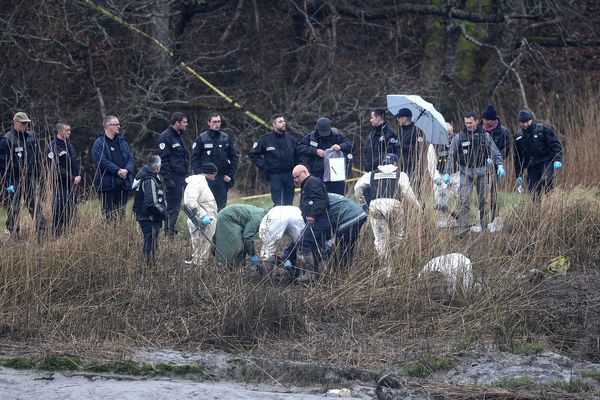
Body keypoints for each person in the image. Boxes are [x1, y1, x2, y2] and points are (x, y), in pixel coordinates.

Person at [354, 153, 420, 275]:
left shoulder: (371, 174)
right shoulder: (401, 174)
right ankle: (395, 260)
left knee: (380, 240)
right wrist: (417, 208)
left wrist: (363, 204)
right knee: (397, 235)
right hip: (394, 205)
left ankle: (386, 269)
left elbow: (357, 187)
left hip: (376, 206)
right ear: (395, 163)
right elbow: (408, 194)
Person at [443, 112, 505, 232]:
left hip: (482, 172)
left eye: (470, 123)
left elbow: (495, 152)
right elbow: (451, 156)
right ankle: (463, 228)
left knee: (483, 200)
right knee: (464, 200)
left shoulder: (485, 136)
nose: (468, 125)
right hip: (465, 173)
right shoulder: (459, 137)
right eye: (466, 123)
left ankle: (483, 226)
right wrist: (447, 172)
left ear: (476, 121)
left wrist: (500, 165)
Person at [0, 112, 47, 238]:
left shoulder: (31, 137)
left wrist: (38, 175)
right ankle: (14, 233)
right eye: (22, 123)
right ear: (15, 122)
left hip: (30, 178)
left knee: (35, 204)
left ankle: (42, 231)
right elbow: (3, 165)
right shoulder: (7, 139)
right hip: (12, 180)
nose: (25, 125)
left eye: (26, 123)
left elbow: (37, 157)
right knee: (13, 206)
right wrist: (7, 183)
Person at [191, 112, 239, 211]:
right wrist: (200, 174)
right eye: (214, 122)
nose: (217, 124)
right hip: (206, 179)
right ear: (209, 122)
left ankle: (219, 226)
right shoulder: (202, 138)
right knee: (206, 207)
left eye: (219, 122)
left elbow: (234, 157)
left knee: (221, 208)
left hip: (222, 178)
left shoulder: (225, 138)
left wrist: (230, 175)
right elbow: (194, 158)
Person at [291, 164, 331, 282]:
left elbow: (320, 201)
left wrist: (312, 217)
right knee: (319, 247)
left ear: (304, 172)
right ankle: (324, 275)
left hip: (318, 220)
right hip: (319, 220)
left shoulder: (312, 182)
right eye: (294, 178)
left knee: (304, 243)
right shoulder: (308, 183)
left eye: (297, 177)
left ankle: (309, 275)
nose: (296, 180)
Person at [92, 115, 136, 220]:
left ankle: (120, 235)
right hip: (107, 185)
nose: (119, 126)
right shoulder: (99, 143)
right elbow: (101, 161)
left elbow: (132, 157)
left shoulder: (122, 142)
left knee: (121, 214)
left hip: (123, 184)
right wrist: (117, 171)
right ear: (108, 126)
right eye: (116, 124)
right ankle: (109, 235)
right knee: (109, 215)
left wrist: (127, 170)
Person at [296, 117, 354, 195]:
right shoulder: (311, 137)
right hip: (317, 173)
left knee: (338, 197)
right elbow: (300, 148)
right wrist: (315, 151)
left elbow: (351, 145)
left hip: (335, 174)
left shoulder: (337, 136)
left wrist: (340, 146)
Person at [513, 109, 564, 199]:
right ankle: (536, 210)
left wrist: (558, 159)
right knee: (533, 190)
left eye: (527, 122)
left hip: (546, 161)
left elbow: (556, 145)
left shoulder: (543, 129)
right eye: (522, 123)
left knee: (546, 179)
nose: (525, 125)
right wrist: (519, 174)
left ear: (531, 120)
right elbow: (518, 158)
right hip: (531, 166)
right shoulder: (518, 137)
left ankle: (551, 201)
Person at [248, 114, 297, 206]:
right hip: (275, 175)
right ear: (274, 125)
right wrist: (263, 166)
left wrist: (297, 170)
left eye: (284, 121)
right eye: (280, 122)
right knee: (278, 204)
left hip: (289, 175)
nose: (283, 123)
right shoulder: (265, 140)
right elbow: (253, 153)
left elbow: (298, 155)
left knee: (289, 203)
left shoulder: (291, 139)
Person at [157, 111, 190, 237]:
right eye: (184, 122)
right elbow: (163, 160)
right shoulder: (166, 137)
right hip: (173, 178)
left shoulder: (179, 135)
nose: (186, 125)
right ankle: (168, 233)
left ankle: (172, 228)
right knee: (173, 207)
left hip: (182, 176)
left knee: (183, 205)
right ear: (177, 123)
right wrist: (168, 179)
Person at [46, 120, 81, 235]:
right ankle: (57, 234)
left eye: (69, 130)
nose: (69, 132)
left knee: (72, 209)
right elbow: (55, 168)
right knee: (60, 209)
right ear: (59, 131)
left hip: (72, 183)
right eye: (67, 130)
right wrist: (71, 177)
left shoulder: (68, 144)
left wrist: (78, 174)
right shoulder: (52, 146)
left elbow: (74, 162)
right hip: (59, 184)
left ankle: (69, 233)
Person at [132, 155, 167, 265]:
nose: (160, 167)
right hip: (149, 218)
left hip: (148, 217)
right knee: (150, 245)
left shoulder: (147, 177)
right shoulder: (149, 180)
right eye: (160, 165)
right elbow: (151, 203)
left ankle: (149, 268)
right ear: (156, 167)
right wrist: (164, 214)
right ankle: (147, 270)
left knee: (151, 243)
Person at [183, 163, 219, 267]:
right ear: (210, 173)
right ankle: (197, 273)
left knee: (203, 250)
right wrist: (203, 215)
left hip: (206, 222)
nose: (215, 177)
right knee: (199, 251)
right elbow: (190, 201)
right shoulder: (196, 182)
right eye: (214, 174)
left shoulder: (203, 183)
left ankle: (199, 271)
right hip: (200, 222)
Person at [213, 204, 268, 268]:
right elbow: (247, 237)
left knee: (240, 244)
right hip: (227, 218)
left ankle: (239, 268)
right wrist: (252, 254)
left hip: (234, 220)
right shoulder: (259, 219)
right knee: (236, 245)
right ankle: (227, 268)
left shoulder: (263, 215)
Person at [480, 104, 510, 222]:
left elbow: (505, 149)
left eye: (491, 120)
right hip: (481, 166)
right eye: (487, 120)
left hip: (496, 167)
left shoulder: (503, 131)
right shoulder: (478, 131)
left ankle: (494, 218)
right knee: (482, 193)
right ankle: (482, 220)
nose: (489, 122)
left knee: (493, 192)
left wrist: (497, 162)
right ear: (483, 120)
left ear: (495, 119)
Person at [258, 205, 305, 276]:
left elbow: (263, 236)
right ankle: (302, 276)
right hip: (296, 214)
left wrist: (266, 253)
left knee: (268, 249)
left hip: (277, 217)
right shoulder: (293, 209)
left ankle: (266, 278)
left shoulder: (270, 214)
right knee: (302, 246)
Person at [428, 122, 459, 226]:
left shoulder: (458, 139)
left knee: (461, 197)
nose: (449, 136)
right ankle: (442, 220)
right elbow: (431, 163)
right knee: (440, 199)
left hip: (456, 174)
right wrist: (435, 177)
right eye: (447, 134)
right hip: (441, 175)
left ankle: (461, 219)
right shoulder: (434, 143)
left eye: (450, 133)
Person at [326, 193, 367, 268]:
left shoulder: (318, 199)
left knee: (342, 248)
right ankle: (347, 267)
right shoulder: (327, 195)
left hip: (349, 218)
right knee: (348, 247)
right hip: (359, 214)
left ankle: (341, 270)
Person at [394, 108, 425, 193]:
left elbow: (419, 150)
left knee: (414, 192)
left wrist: (402, 145)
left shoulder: (417, 131)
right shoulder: (401, 131)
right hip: (401, 166)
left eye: (399, 117)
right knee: (401, 192)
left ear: (404, 118)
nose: (398, 119)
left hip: (413, 167)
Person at [362, 108, 398, 172]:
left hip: (382, 170)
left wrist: (373, 164)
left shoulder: (389, 133)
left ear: (378, 118)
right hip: (369, 169)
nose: (370, 120)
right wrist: (365, 164)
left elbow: (388, 153)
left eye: (372, 118)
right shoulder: (372, 133)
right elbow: (366, 149)